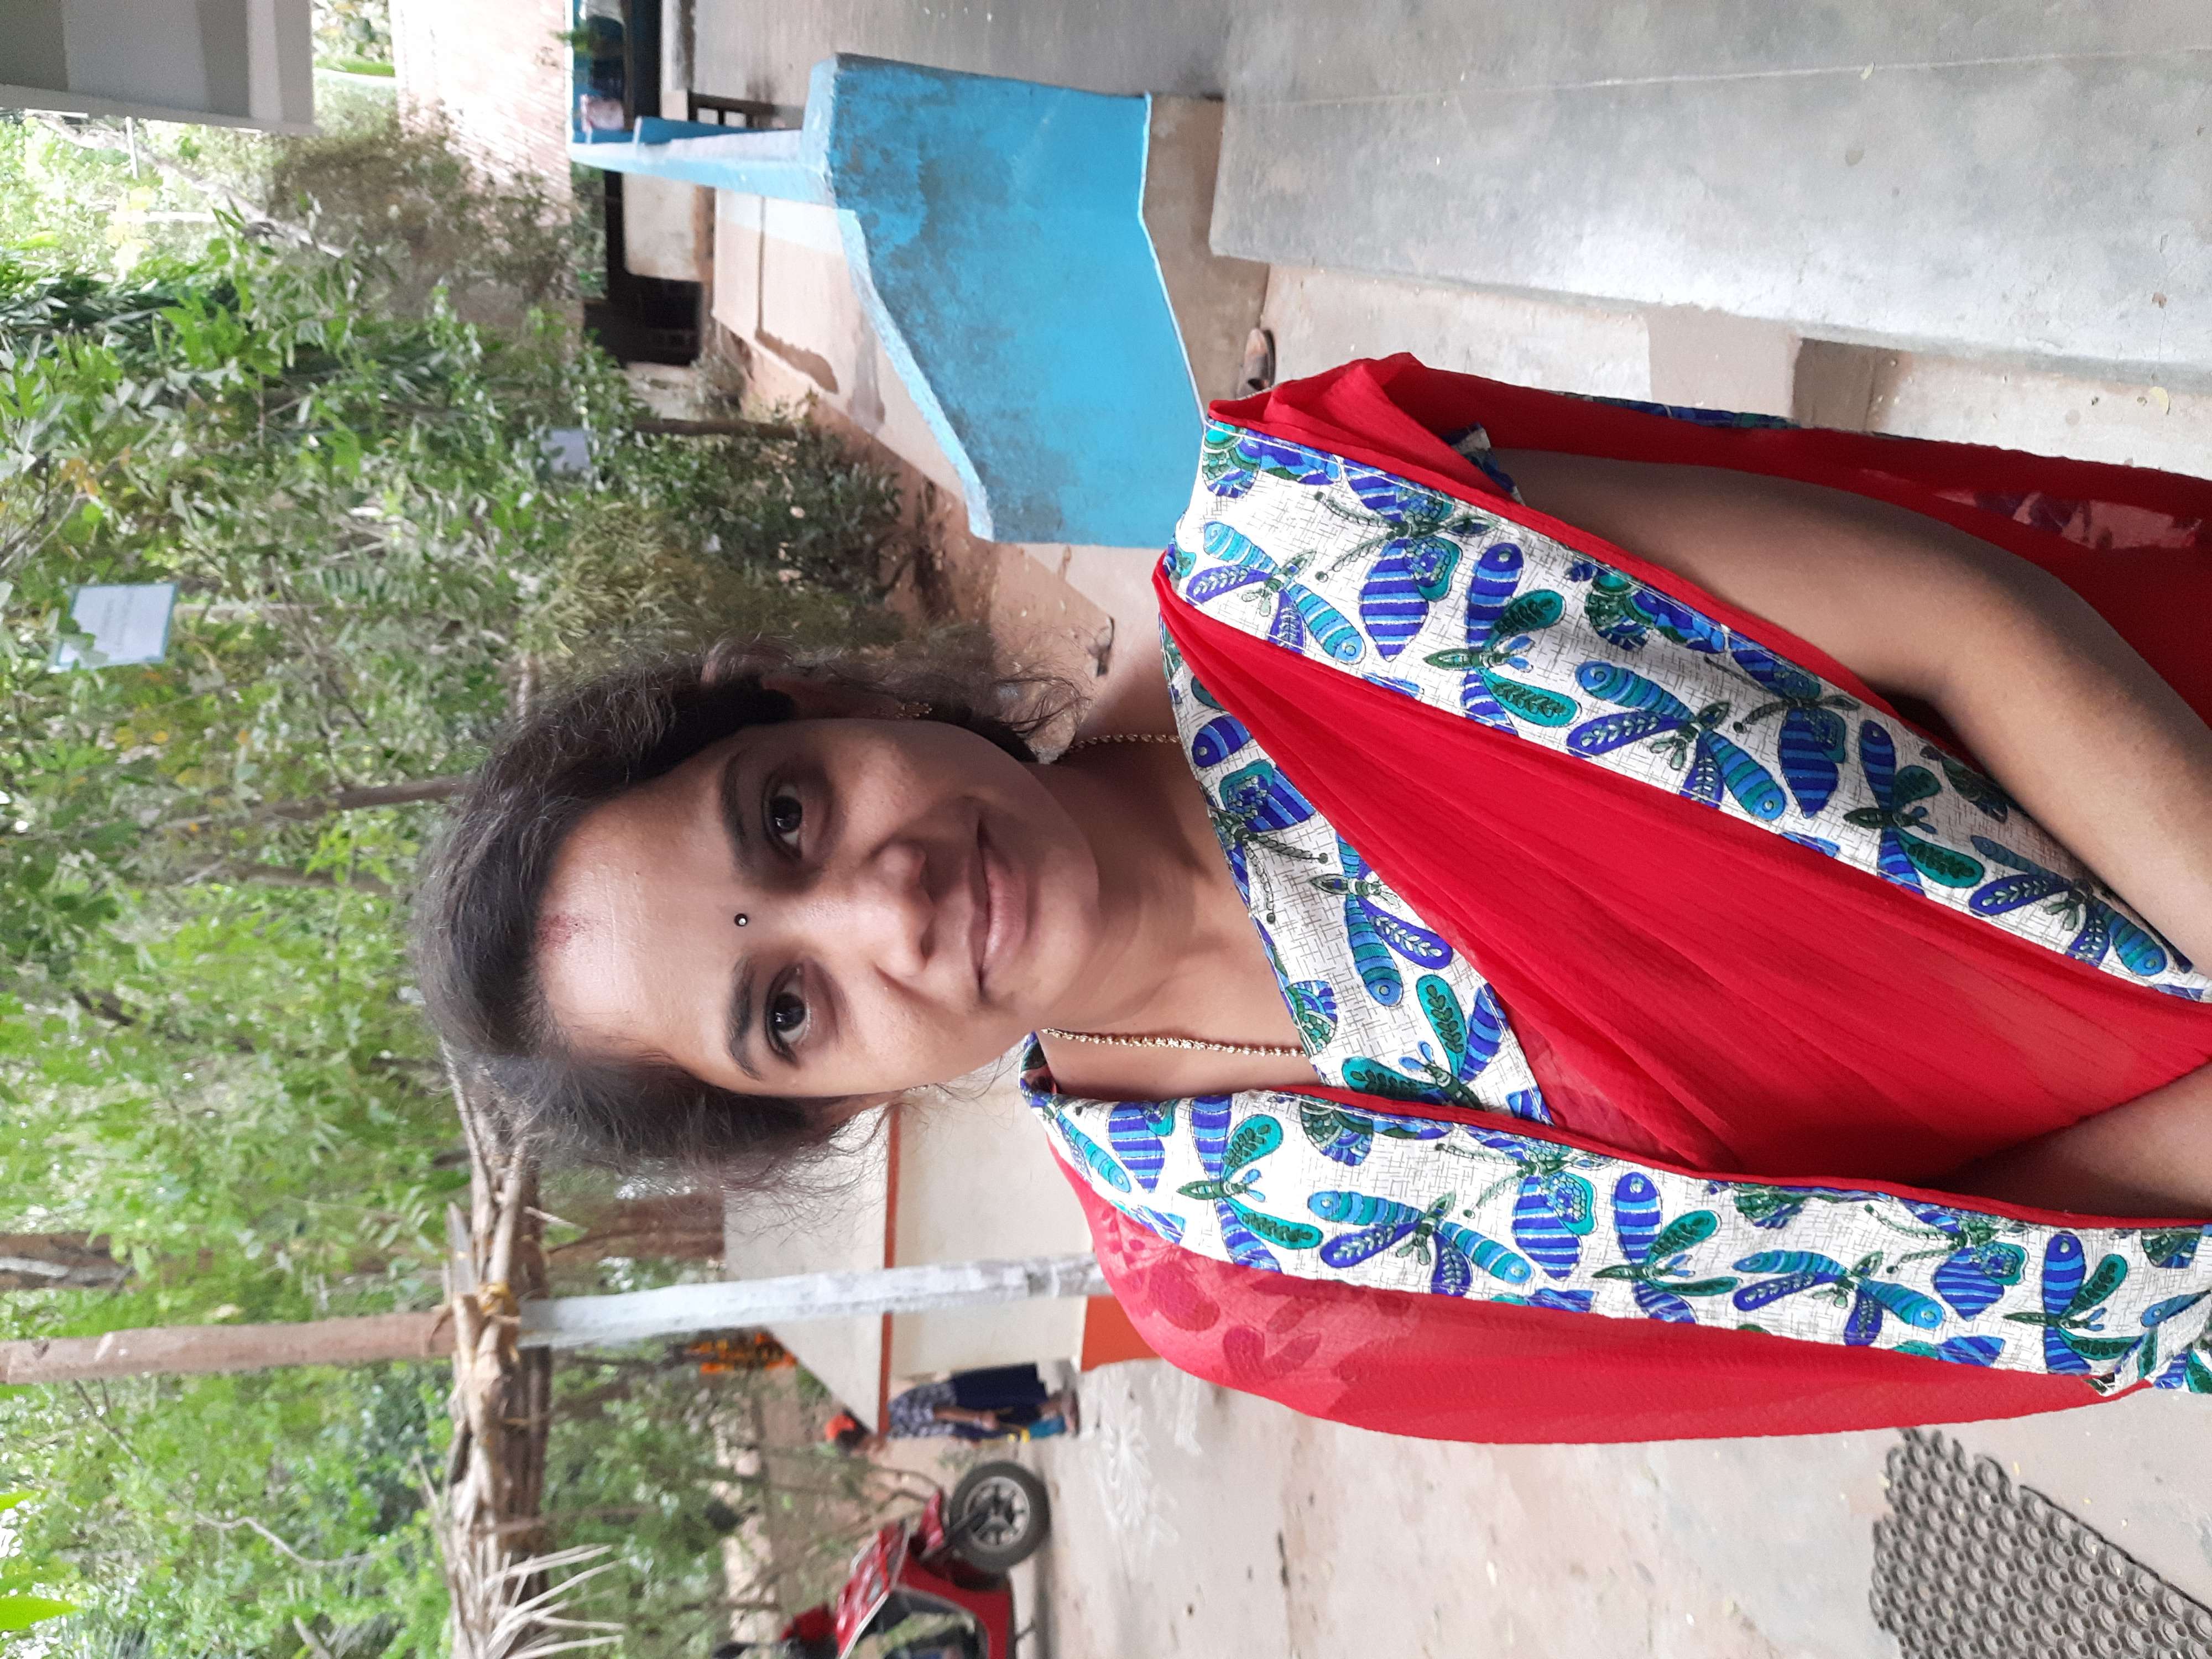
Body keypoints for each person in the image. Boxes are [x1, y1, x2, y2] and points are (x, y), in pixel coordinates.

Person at [418, 356, 2212, 1443]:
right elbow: (1961, 1288)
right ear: (824, 1107)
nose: (887, 910)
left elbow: (1964, 616)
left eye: (786, 817)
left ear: (818, 704)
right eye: (789, 1009)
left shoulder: (1324, 546)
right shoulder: (1253, 1266)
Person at [825, 1366, 1079, 1455]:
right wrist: (961, 1435)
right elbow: (932, 1428)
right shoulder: (891, 1431)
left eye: (866, 1446)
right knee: (1010, 1423)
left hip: (962, 1401)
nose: (873, 1450)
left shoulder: (896, 1414)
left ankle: (1060, 1404)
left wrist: (978, 1418)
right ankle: (1056, 1403)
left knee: (1008, 1408)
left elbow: (941, 1412)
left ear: (865, 1430)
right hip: (959, 1421)